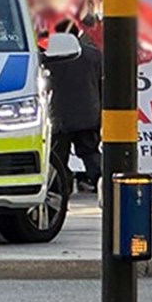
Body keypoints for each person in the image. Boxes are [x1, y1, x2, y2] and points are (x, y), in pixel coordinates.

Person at [47, 22, 102, 193]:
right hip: (88, 113)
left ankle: (62, 188)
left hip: (60, 116)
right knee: (90, 152)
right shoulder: (93, 55)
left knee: (58, 157)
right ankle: (102, 184)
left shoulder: (49, 57)